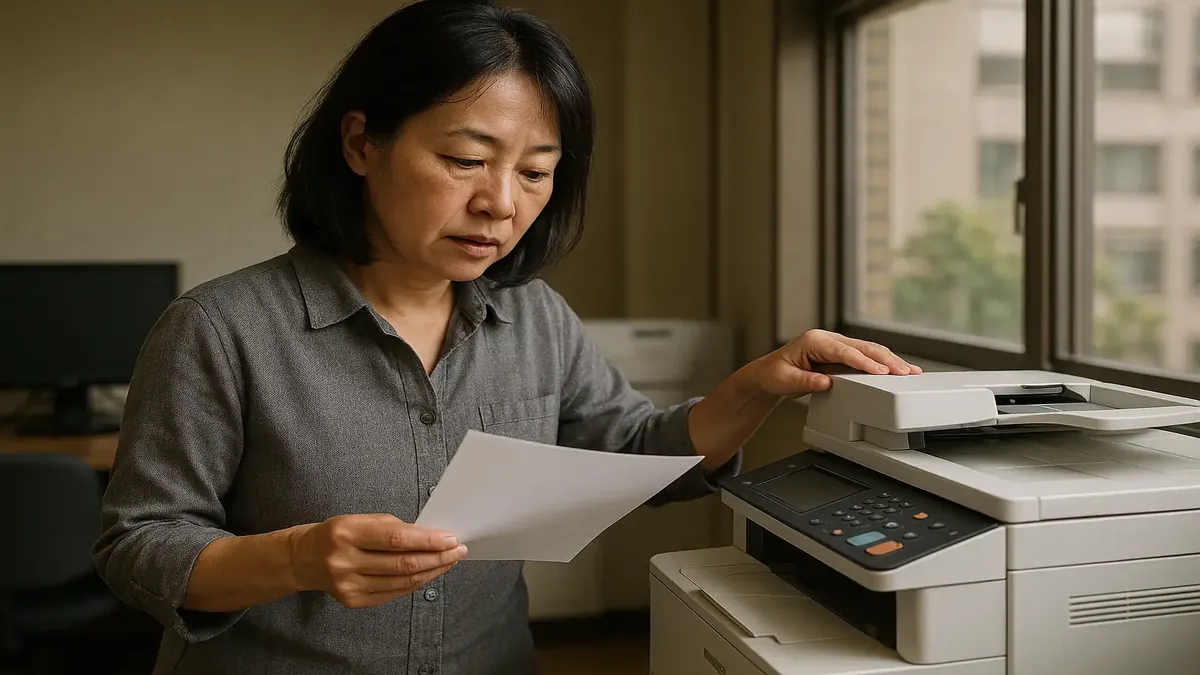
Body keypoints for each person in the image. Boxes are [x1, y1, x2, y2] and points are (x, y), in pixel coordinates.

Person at [92, 1, 919, 673]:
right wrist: (300, 557)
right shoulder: (220, 328)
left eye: (535, 170)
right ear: (360, 144)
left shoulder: (535, 317)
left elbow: (632, 452)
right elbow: (139, 545)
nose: (501, 202)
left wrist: (757, 386)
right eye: (464, 159)